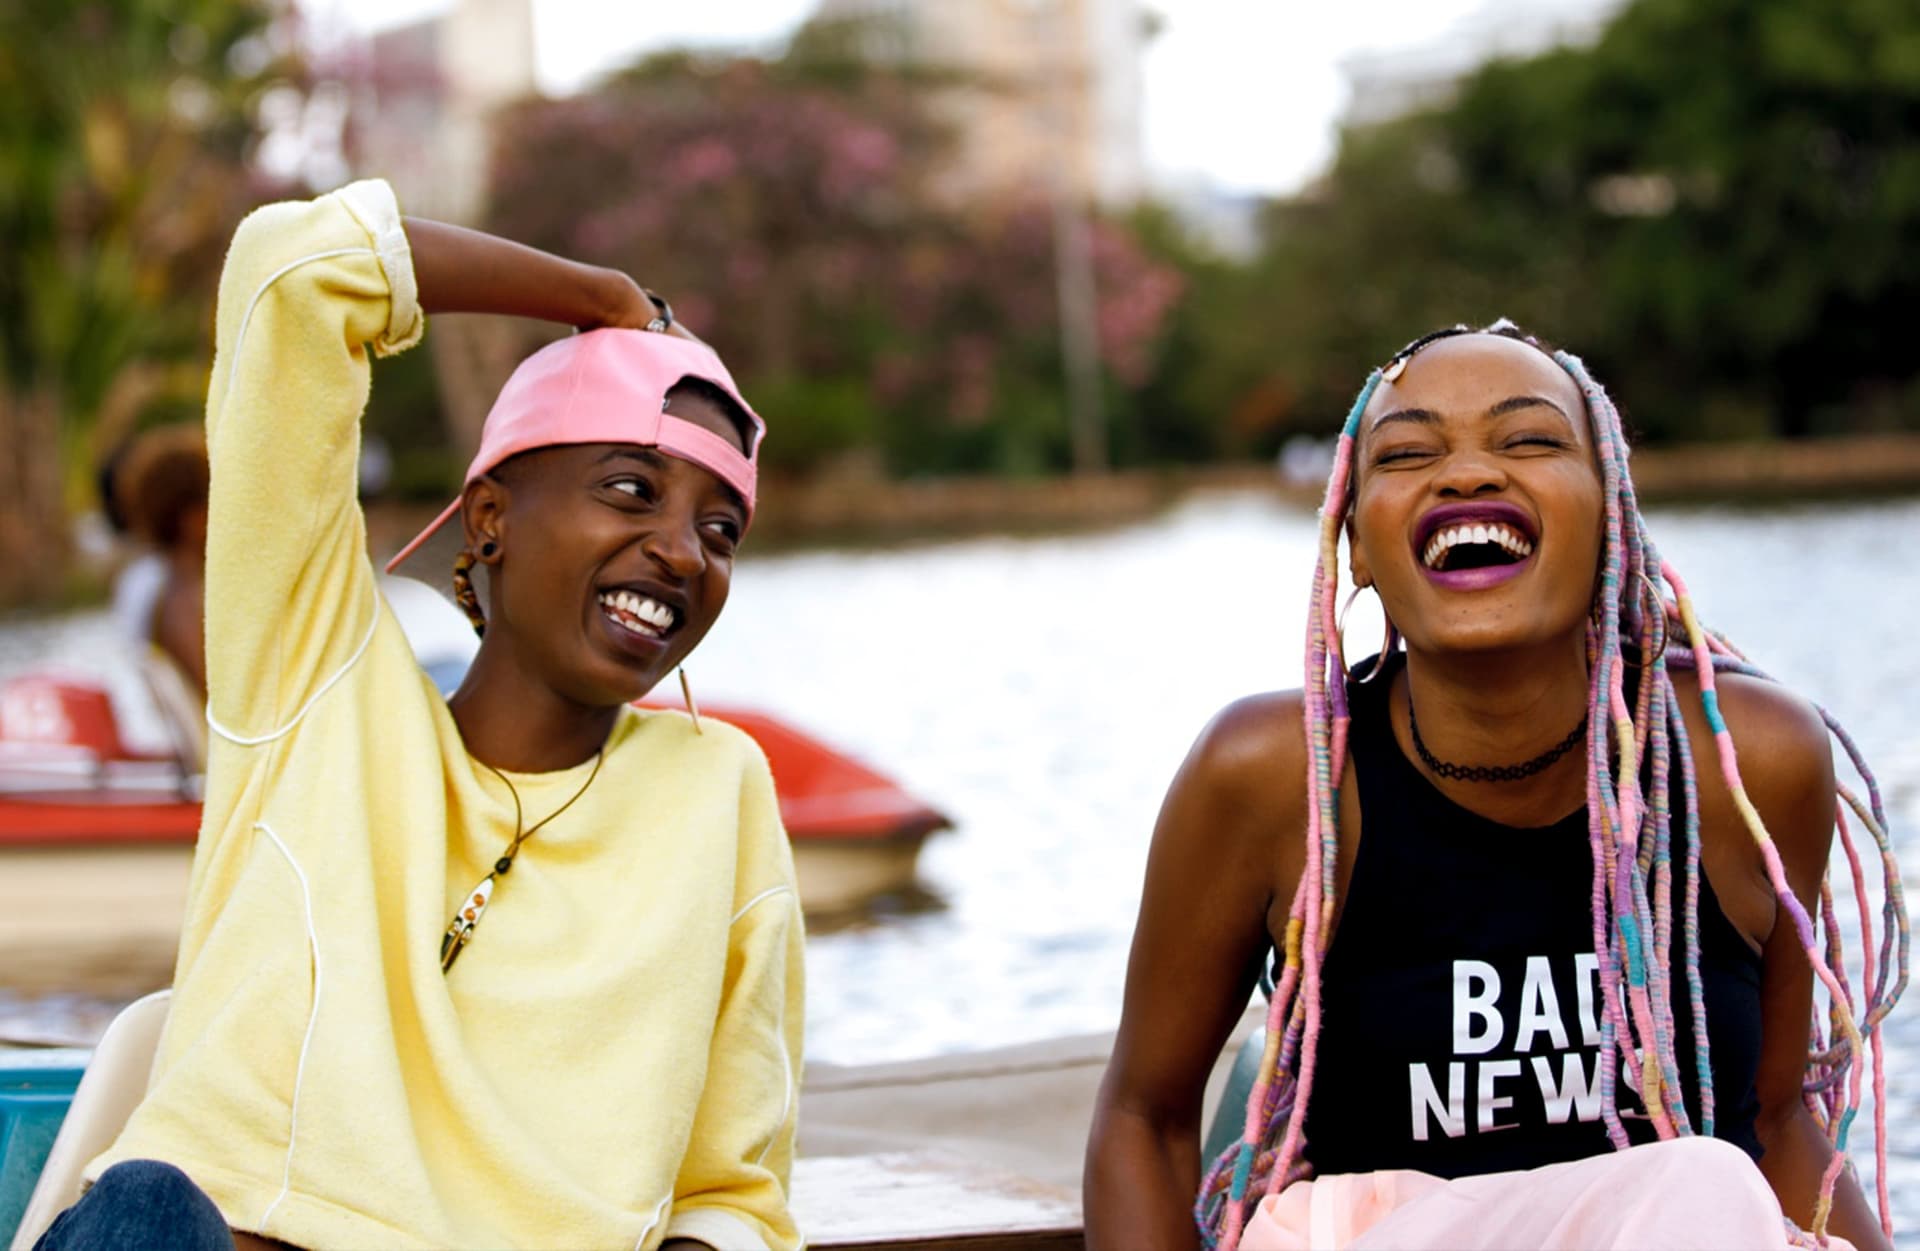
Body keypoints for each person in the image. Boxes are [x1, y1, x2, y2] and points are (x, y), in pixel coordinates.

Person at [34, 180, 803, 1250]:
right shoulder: (316, 692)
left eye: (721, 530)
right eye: (631, 490)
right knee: (153, 1206)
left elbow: (736, 1191)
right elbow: (290, 269)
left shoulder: (717, 790)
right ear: (488, 516)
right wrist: (599, 296)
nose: (683, 550)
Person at [1084, 322, 1904, 1251]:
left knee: (1710, 1185)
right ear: (1356, 544)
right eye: (1408, 453)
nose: (1468, 474)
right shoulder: (1276, 776)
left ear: (1612, 518)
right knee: (1705, 1182)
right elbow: (1144, 1122)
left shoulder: (1745, 762)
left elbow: (1779, 1122)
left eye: (1528, 439)